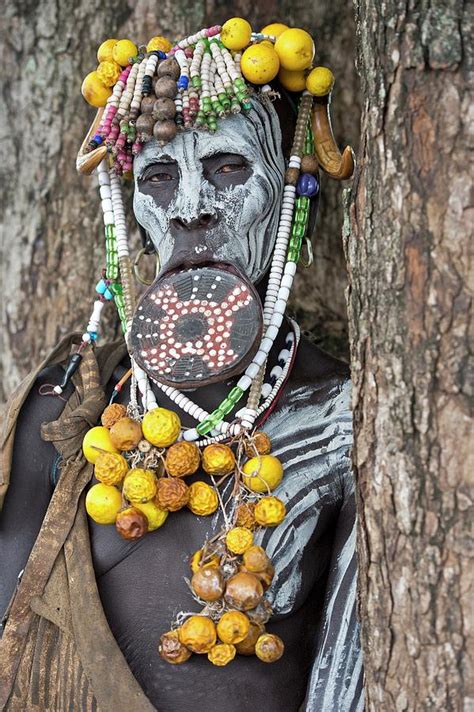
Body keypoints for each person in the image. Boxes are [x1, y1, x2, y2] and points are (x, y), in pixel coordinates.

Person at [0, 18, 363, 712]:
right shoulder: (70, 402)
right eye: (160, 177)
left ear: (289, 192)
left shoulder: (339, 427)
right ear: (131, 210)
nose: (191, 208)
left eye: (228, 168)